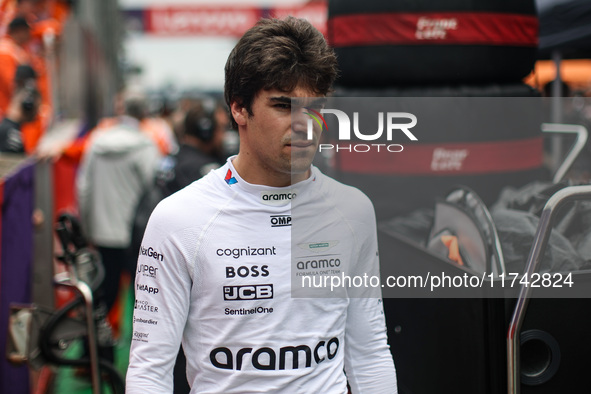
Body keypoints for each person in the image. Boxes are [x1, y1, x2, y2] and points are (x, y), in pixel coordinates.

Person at [126, 17, 397, 393]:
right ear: (239, 108)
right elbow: (149, 372)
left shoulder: (353, 211)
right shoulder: (179, 219)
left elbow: (369, 352)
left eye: (315, 106)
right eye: (284, 106)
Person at [76, 92, 161, 315]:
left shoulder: (96, 141)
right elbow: (155, 190)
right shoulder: (146, 145)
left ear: (121, 111)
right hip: (137, 237)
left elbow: (83, 187)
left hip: (103, 234)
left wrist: (88, 229)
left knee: (102, 299)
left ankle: (98, 349)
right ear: (143, 113)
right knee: (144, 301)